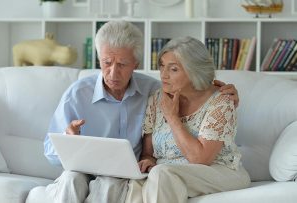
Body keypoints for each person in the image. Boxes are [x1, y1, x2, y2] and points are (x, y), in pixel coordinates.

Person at [43, 21, 240, 203]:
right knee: (71, 179)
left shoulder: (153, 90)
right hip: (83, 170)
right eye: (106, 62)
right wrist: (68, 140)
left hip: (126, 176)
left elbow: (196, 88)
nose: (112, 73)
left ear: (136, 64)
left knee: (112, 183)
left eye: (121, 64)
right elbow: (50, 152)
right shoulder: (77, 94)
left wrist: (219, 91)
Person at [125, 37, 251, 203]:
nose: (163, 75)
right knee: (135, 185)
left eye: (174, 69)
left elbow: (200, 159)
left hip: (217, 171)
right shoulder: (156, 99)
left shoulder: (221, 100)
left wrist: (172, 117)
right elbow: (148, 153)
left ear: (194, 71)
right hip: (168, 174)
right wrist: (148, 161)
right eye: (162, 65)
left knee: (161, 174)